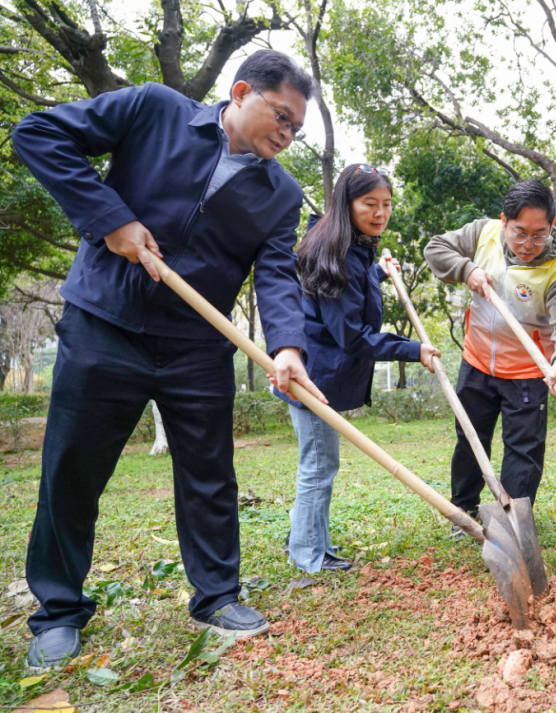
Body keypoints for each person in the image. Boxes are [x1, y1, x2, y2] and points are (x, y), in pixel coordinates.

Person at [11, 50, 328, 670]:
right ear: (241, 92)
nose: (287, 137)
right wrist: (110, 219)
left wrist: (287, 346)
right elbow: (38, 133)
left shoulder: (279, 193)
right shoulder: (154, 109)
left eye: (296, 129)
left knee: (210, 477)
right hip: (104, 324)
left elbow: (276, 276)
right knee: (71, 470)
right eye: (282, 118)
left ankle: (217, 597)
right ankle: (58, 611)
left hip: (196, 344)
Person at [274, 164, 438, 573]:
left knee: (319, 463)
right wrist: (412, 349)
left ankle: (311, 545)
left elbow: (351, 292)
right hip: (314, 377)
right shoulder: (339, 253)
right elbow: (353, 335)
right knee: (318, 465)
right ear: (347, 203)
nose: (380, 213)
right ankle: (309, 556)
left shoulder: (348, 244)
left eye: (386, 204)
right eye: (370, 204)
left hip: (320, 373)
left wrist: (378, 271)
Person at [424, 180, 556, 537]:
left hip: (527, 372)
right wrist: (467, 269)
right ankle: (464, 511)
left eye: (540, 235)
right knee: (470, 438)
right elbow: (436, 248)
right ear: (504, 222)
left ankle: (514, 521)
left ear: (552, 227)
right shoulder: (482, 234)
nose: (528, 245)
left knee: (523, 450)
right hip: (476, 361)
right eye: (520, 233)